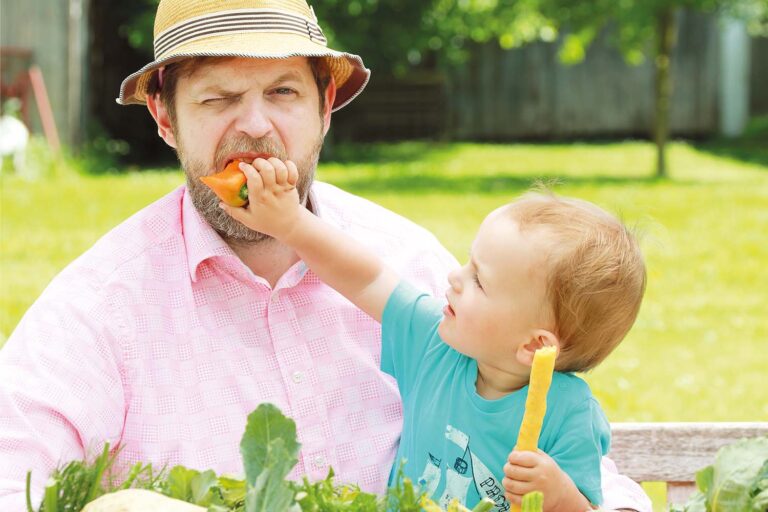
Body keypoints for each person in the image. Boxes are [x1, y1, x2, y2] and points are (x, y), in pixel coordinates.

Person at [0, 0, 651, 511]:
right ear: (165, 119)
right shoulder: (97, 309)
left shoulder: (414, 265)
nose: (255, 126)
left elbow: (555, 442)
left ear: (325, 107)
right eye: (218, 98)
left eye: (283, 93)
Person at [219, 159, 646, 511]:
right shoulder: (434, 346)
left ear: (534, 346)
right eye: (468, 264)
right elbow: (366, 278)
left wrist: (560, 499)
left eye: (480, 281)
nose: (455, 278)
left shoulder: (568, 413)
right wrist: (292, 223)